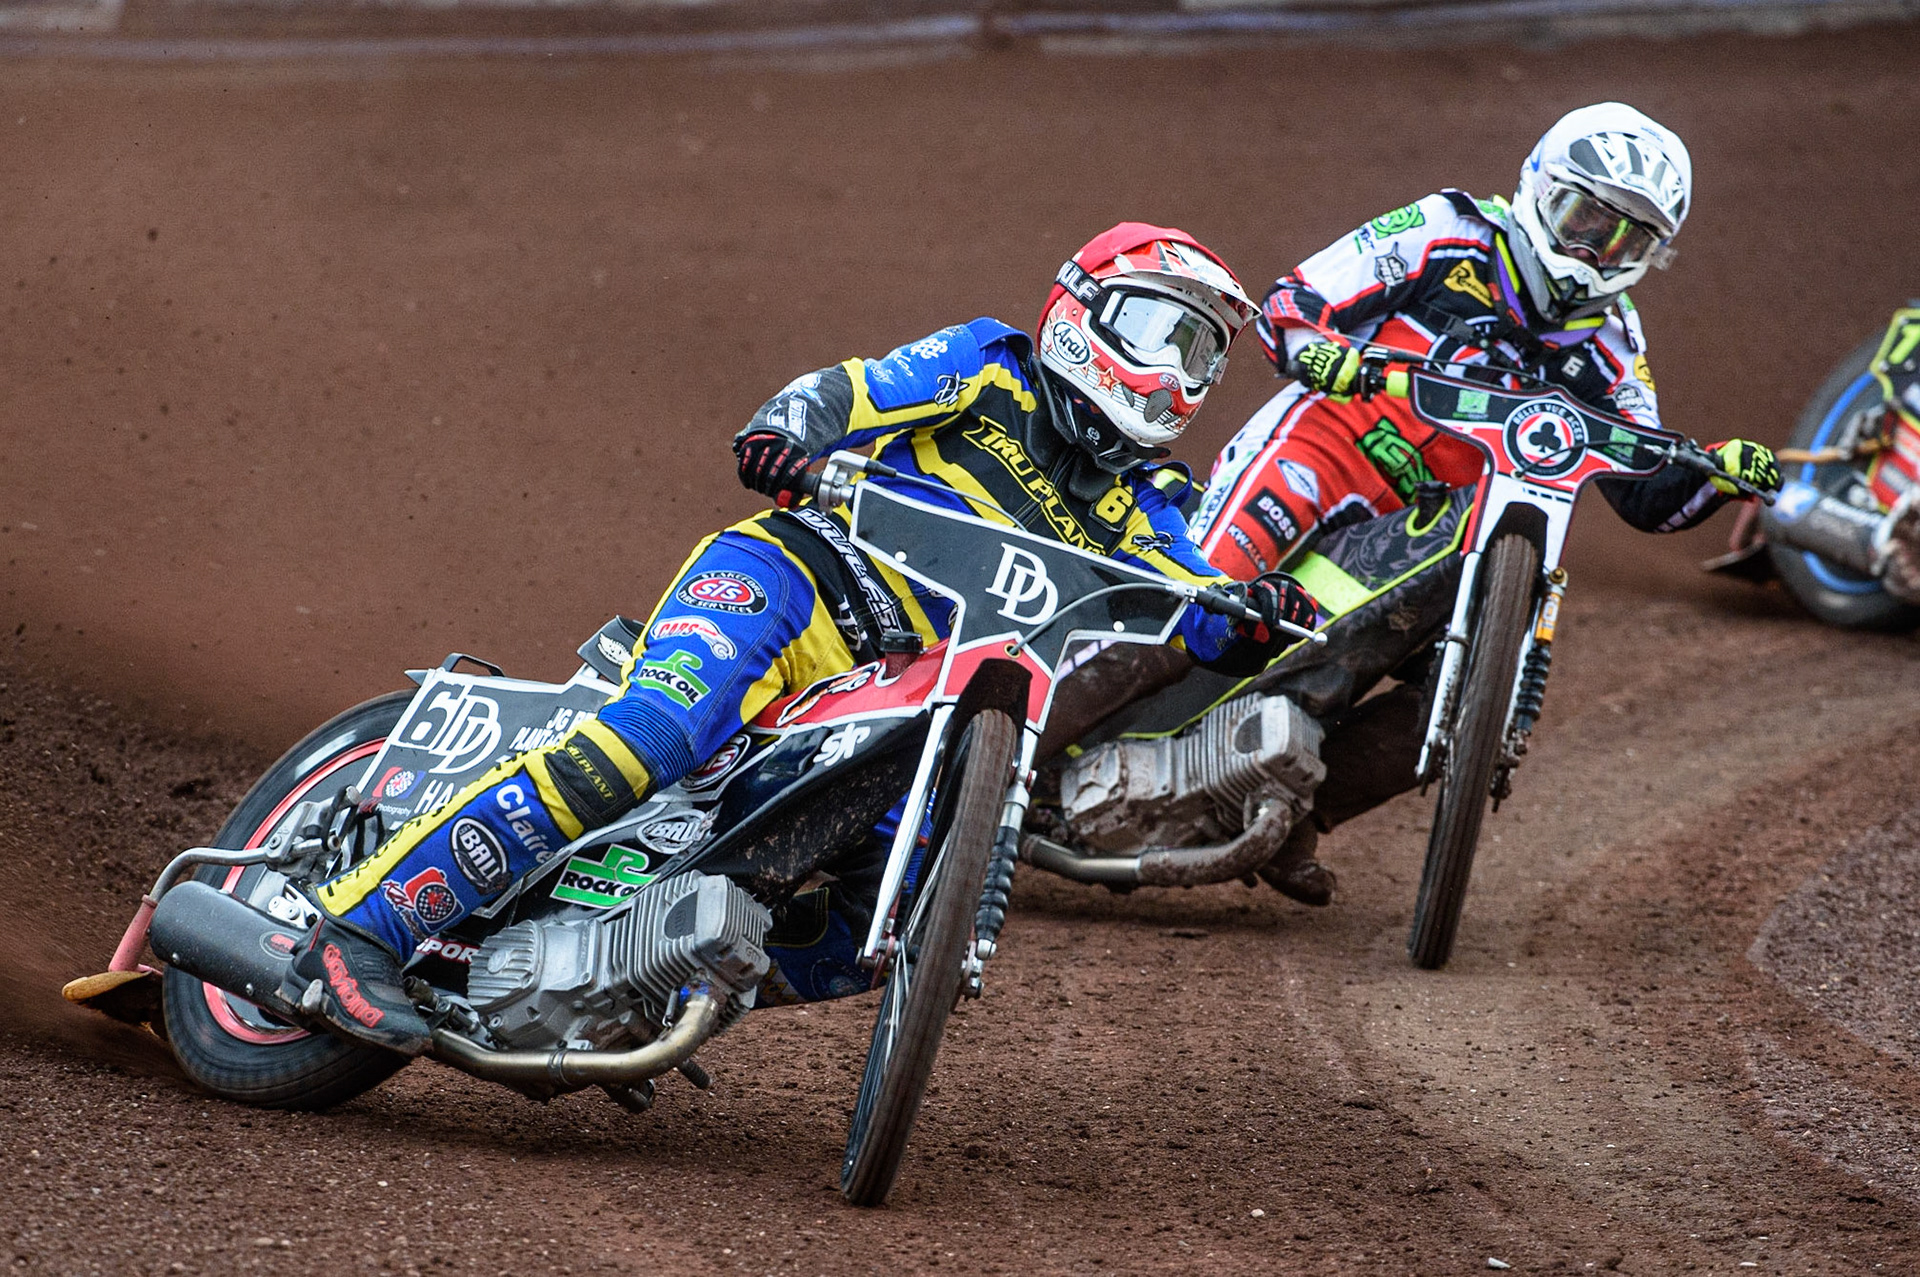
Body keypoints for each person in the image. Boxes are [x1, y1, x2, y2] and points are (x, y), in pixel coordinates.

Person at [287, 223, 1320, 1054]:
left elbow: (1198, 598)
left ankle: (644, 981)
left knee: (881, 922)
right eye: (1158, 328)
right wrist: (787, 433)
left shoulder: (1148, 498)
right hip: (794, 583)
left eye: (1200, 352)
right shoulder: (990, 365)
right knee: (652, 736)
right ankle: (358, 932)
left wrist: (1259, 612)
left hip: (899, 694)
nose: (1174, 369)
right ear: (1080, 311)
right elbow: (851, 389)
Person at [1186, 102, 1781, 902]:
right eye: (1584, 219)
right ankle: (1051, 737)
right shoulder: (1448, 231)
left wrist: (1714, 473)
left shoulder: (1613, 346)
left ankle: (1292, 809)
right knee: (1200, 603)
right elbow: (1296, 299)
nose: (1594, 252)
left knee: (1477, 700)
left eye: (1625, 240)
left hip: (1442, 531)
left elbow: (1646, 493)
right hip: (1327, 450)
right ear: (1539, 184)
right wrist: (1319, 349)